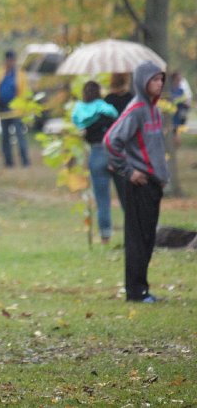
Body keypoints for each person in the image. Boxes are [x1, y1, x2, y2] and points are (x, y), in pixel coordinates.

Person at [104, 61, 169, 303]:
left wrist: (162, 176)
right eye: (154, 79)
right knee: (137, 239)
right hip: (138, 184)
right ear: (143, 82)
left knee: (148, 238)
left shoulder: (154, 110)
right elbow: (111, 140)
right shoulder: (137, 109)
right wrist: (128, 171)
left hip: (153, 183)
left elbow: (154, 148)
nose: (159, 84)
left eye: (161, 79)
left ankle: (143, 288)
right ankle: (135, 291)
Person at [71, 81, 119, 244]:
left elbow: (82, 133)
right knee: (125, 196)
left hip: (97, 153)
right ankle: (135, 231)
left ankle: (105, 236)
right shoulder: (108, 110)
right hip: (115, 152)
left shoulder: (80, 113)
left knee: (102, 200)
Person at [0, 49, 30, 167]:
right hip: (3, 109)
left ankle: (25, 161)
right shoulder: (0, 73)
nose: (10, 62)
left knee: (19, 136)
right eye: (8, 60)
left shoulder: (20, 75)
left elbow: (24, 92)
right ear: (6, 61)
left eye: (12, 60)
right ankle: (8, 161)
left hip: (16, 110)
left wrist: (23, 108)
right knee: (5, 137)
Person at [104, 73, 133, 210]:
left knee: (121, 188)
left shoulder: (107, 101)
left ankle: (127, 212)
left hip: (114, 148)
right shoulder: (131, 99)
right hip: (130, 147)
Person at [170, 70, 192, 145]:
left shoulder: (181, 89)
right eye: (178, 79)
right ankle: (175, 140)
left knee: (178, 127)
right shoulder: (170, 88)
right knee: (175, 128)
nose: (179, 80)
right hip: (173, 112)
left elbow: (186, 97)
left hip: (180, 110)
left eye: (180, 79)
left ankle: (176, 141)